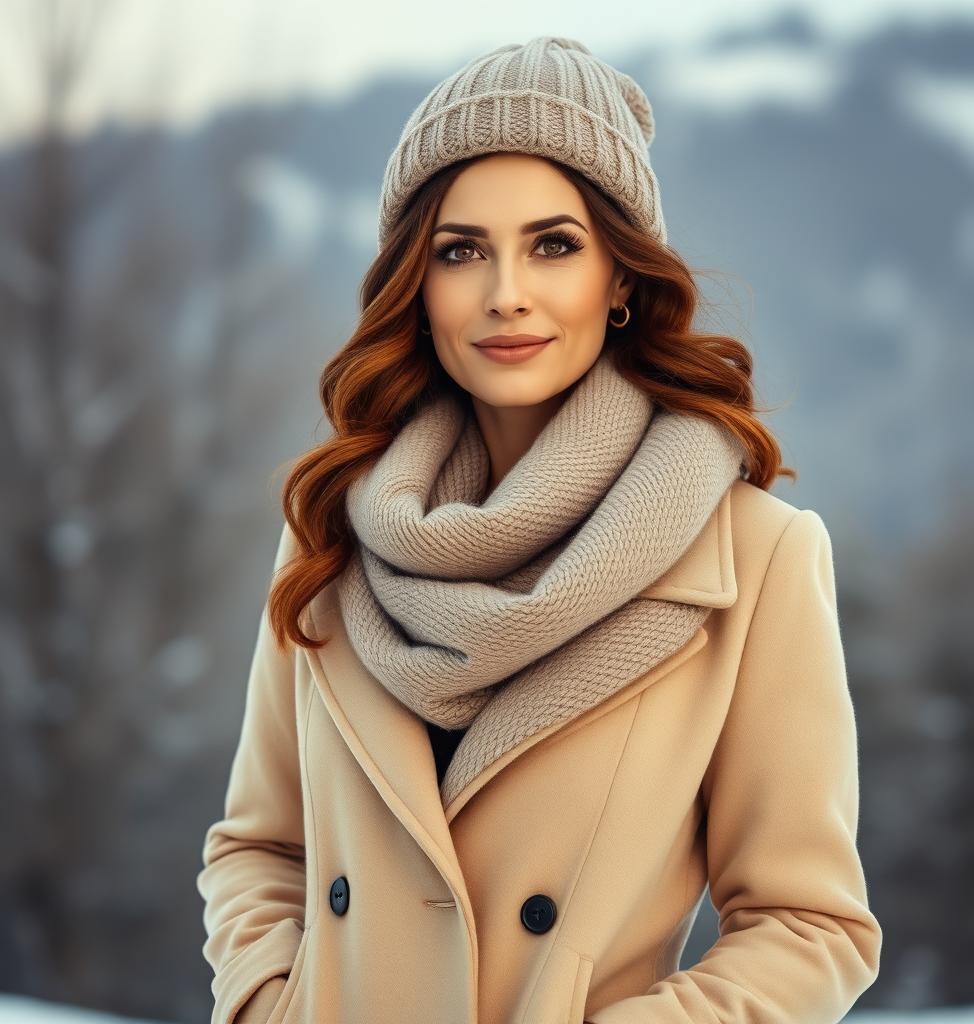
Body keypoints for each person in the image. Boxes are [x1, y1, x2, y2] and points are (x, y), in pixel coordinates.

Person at [196, 36, 883, 1024]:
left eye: (552, 245)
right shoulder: (330, 537)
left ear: (620, 281)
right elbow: (259, 846)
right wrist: (272, 999)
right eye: (459, 250)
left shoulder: (754, 555)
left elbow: (809, 921)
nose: (503, 291)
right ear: (416, 285)